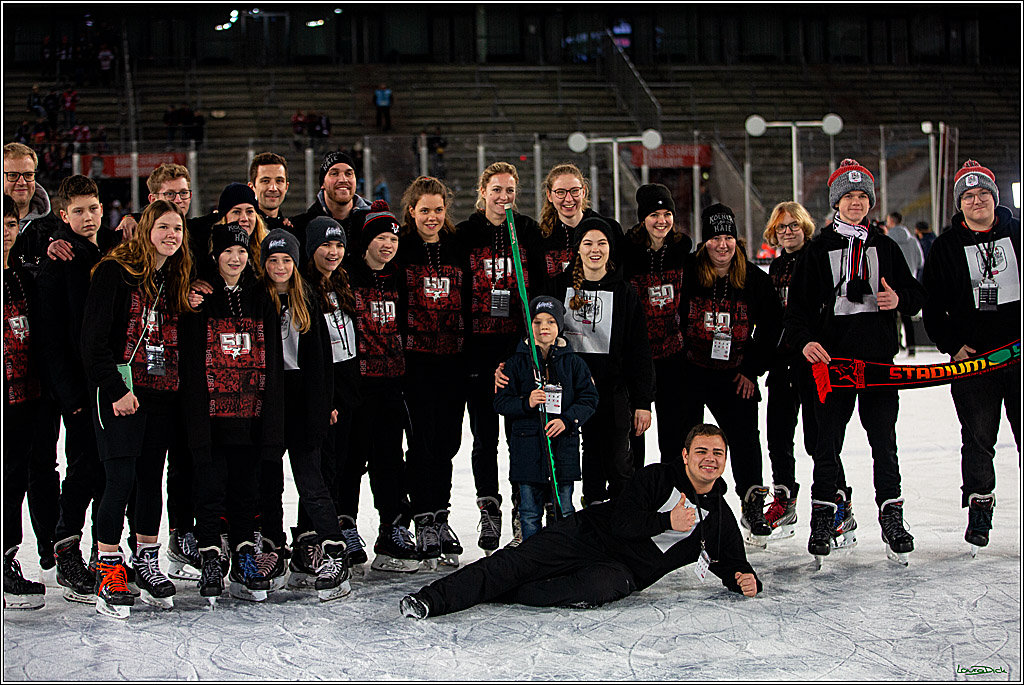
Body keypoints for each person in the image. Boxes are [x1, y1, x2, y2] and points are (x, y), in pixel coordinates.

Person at [399, 424, 761, 619]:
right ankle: (432, 599)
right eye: (701, 451)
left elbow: (732, 561)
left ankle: (500, 590)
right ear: (685, 455)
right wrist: (667, 519)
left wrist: (744, 578)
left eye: (717, 453)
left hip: (621, 571)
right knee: (515, 564)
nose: (709, 459)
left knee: (588, 590)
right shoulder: (656, 478)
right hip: (587, 535)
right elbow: (623, 522)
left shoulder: (719, 519)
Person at [784, 159, 926, 566]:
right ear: (836, 203)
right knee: (827, 446)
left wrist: (899, 300)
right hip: (833, 367)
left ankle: (892, 517)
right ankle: (824, 519)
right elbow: (795, 315)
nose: (857, 203)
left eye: (863, 196)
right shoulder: (817, 251)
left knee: (884, 443)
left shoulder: (886, 247)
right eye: (849, 196)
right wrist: (807, 340)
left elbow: (917, 297)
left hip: (879, 363)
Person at [80, 200, 194, 618]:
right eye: (163, 227)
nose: (172, 235)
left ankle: (145, 559)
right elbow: (92, 342)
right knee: (119, 479)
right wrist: (114, 389)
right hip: (120, 395)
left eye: (178, 229)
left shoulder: (175, 279)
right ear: (146, 230)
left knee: (150, 480)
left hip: (162, 396)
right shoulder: (115, 271)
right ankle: (108, 567)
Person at [178, 222, 283, 604]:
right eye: (228, 253)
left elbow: (272, 360)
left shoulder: (261, 297)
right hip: (211, 415)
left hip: (250, 415)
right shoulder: (201, 300)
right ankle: (209, 554)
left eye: (241, 252)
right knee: (208, 489)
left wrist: (269, 417)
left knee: (245, 490)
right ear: (215, 256)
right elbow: (190, 362)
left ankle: (243, 555)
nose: (236, 259)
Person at [921, 160, 1020, 555]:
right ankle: (980, 504)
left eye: (983, 194)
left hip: (1019, 356)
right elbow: (931, 307)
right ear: (959, 203)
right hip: (974, 361)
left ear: (995, 199)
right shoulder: (946, 247)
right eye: (968, 196)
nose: (977, 201)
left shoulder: (1018, 233)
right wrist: (952, 345)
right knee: (978, 438)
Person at [679, 203, 782, 546]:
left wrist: (752, 370)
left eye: (728, 238)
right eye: (714, 238)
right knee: (684, 440)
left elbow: (771, 328)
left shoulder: (754, 279)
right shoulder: (688, 272)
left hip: (735, 373)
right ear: (704, 242)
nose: (722, 245)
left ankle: (752, 502)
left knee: (745, 440)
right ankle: (683, 503)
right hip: (692, 370)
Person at [257, 228, 350, 601]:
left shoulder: (307, 299)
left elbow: (322, 363)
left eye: (287, 260)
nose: (280, 266)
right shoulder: (255, 298)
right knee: (267, 480)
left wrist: (323, 403)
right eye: (273, 260)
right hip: (267, 399)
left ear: (296, 264)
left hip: (302, 399)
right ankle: (273, 549)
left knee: (311, 479)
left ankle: (333, 550)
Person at [456, 161, 543, 552]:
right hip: (478, 355)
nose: (503, 197)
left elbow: (538, 287)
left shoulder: (525, 230)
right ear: (483, 191)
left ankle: (522, 511)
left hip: (517, 353)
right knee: (484, 437)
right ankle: (488, 506)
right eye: (496, 189)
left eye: (510, 190)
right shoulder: (465, 234)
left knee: (521, 436)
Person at [545, 215, 655, 506]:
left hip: (612, 389)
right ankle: (592, 515)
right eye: (588, 242)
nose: (596, 249)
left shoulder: (625, 292)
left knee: (619, 459)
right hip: (573, 390)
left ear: (611, 248)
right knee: (589, 457)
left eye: (602, 243)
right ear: (578, 248)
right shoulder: (559, 288)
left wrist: (643, 401)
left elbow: (639, 351)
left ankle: (623, 519)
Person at [35, 176, 110, 602]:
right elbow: (51, 338)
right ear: (63, 215)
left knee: (102, 468)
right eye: (77, 211)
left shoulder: (99, 251)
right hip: (78, 391)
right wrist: (71, 397)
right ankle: (66, 549)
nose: (86, 217)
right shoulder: (59, 259)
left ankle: (104, 553)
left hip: (102, 383)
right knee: (83, 467)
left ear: (102, 209)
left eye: (92, 208)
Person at [336, 203, 419, 572]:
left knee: (389, 459)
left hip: (391, 382)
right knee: (350, 459)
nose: (387, 244)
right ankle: (345, 526)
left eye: (392, 238)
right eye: (380, 237)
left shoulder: (398, 277)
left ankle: (393, 528)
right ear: (366, 241)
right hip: (356, 385)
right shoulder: (345, 276)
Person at [397, 177, 470, 567]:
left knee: (447, 444)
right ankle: (422, 517)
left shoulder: (457, 247)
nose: (432, 217)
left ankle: (440, 517)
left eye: (438, 210)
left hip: (453, 362)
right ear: (412, 211)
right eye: (424, 210)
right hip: (416, 364)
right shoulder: (402, 249)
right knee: (421, 443)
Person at [494, 296, 599, 542]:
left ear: (559, 326)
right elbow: (500, 402)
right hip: (527, 450)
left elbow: (589, 399)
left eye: (551, 322)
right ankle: (532, 560)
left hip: (563, 450)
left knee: (564, 509)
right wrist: (525, 402)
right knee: (529, 512)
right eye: (538, 321)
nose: (544, 327)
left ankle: (563, 555)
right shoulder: (516, 363)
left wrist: (567, 420)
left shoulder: (573, 363)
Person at [3, 143, 61, 584]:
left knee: (42, 463)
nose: (22, 182)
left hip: (40, 374)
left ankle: (54, 548)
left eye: (28, 174)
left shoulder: (51, 229)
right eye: (12, 175)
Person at [302, 217, 365, 571]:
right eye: (326, 245)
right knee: (320, 470)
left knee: (345, 466)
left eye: (339, 245)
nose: (333, 252)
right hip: (325, 394)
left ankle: (342, 526)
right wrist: (324, 399)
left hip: (348, 388)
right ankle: (310, 538)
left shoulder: (341, 283)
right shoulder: (305, 287)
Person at [621, 183, 693, 468]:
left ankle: (671, 489)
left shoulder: (681, 248)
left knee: (673, 432)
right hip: (637, 356)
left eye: (667, 213)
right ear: (642, 218)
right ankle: (634, 492)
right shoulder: (628, 251)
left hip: (672, 354)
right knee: (633, 430)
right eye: (654, 214)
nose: (661, 220)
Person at [760, 201, 819, 539]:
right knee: (778, 436)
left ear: (804, 227)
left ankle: (837, 500)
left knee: (818, 438)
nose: (788, 232)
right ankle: (784, 497)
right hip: (782, 364)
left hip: (811, 361)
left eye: (793, 225)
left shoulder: (816, 258)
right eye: (782, 227)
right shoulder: (776, 266)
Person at [3, 195, 46, 611]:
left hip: (23, 395)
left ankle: (6, 558)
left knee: (14, 478)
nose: (4, 232)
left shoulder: (22, 275)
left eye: (10, 224)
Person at [537, 162, 623, 282]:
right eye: (560, 192)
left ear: (583, 192)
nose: (568, 199)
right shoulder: (541, 236)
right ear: (549, 195)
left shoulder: (610, 229)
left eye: (574, 191)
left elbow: (620, 277)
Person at [289, 151, 372, 258]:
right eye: (334, 173)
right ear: (322, 183)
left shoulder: (373, 222)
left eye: (349, 174)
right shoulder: (302, 227)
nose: (343, 180)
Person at [885, 211, 925, 356]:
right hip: (909, 282)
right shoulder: (913, 240)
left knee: (891, 317)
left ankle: (893, 346)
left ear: (891, 221)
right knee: (907, 317)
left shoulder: (887, 240)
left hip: (890, 285)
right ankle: (911, 345)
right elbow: (920, 261)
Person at [248, 152, 291, 229]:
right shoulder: (244, 230)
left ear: (286, 187)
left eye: (279, 181)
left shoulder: (292, 230)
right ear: (252, 188)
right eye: (265, 181)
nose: (273, 188)